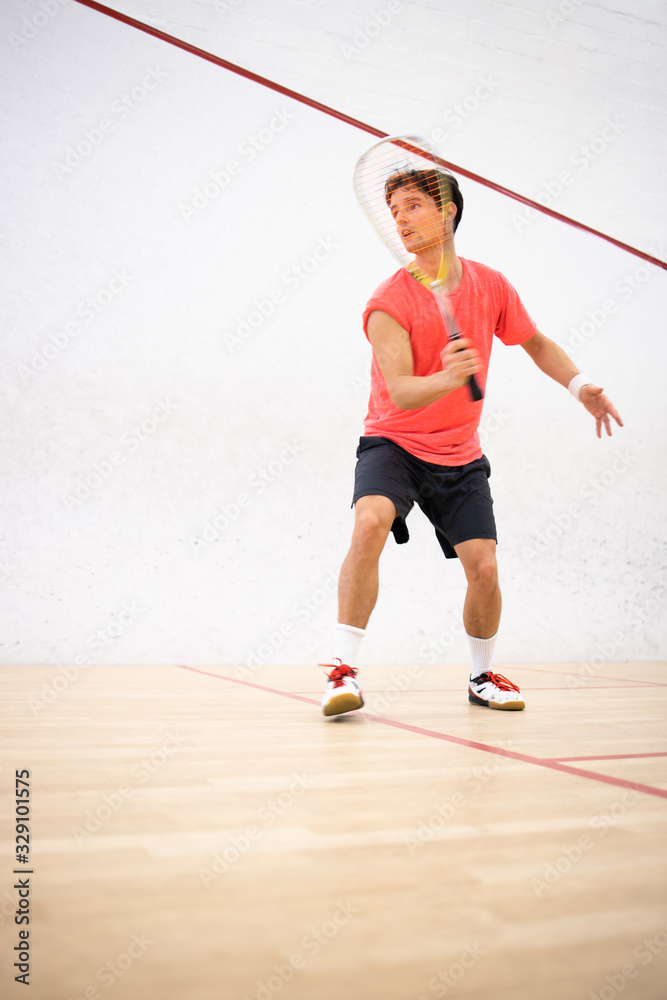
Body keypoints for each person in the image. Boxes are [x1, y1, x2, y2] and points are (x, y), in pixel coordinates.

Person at [321, 166, 623, 717]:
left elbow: (535, 343)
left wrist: (581, 385)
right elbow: (404, 392)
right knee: (370, 522)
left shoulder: (491, 285)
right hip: (394, 444)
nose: (400, 220)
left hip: (460, 453)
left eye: (413, 206)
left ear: (448, 210)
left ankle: (482, 677)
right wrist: (448, 376)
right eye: (394, 211)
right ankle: (343, 671)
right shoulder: (388, 301)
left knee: (483, 568)